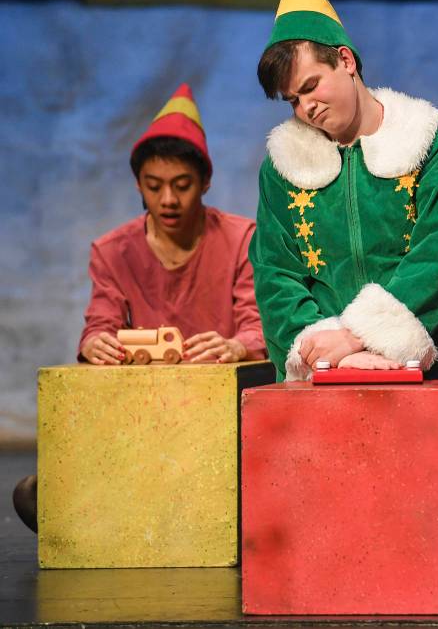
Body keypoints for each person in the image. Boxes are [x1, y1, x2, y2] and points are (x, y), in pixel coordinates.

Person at [12, 83, 266, 532]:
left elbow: (258, 325)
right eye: (155, 186)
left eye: (182, 185)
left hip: (220, 419)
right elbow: (100, 324)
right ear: (139, 186)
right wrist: (96, 344)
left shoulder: (241, 239)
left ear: (205, 182)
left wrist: (235, 346)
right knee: (35, 491)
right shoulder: (113, 252)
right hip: (146, 416)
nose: (168, 199)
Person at [249, 0, 438, 382]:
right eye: (293, 101)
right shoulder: (283, 168)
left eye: (311, 86)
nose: (307, 108)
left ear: (345, 60)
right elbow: (275, 273)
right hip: (327, 374)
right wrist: (334, 354)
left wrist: (361, 335)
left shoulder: (429, 142)